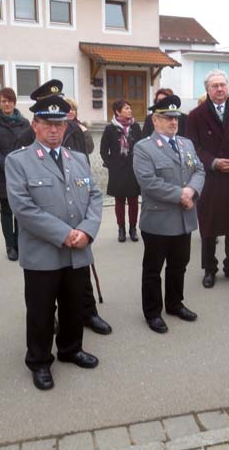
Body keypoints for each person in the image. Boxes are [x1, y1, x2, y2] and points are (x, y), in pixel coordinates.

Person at [5, 80, 103, 391]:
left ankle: (71, 349)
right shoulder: (18, 161)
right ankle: (39, 361)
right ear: (35, 125)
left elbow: (96, 198)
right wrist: (65, 234)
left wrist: (86, 231)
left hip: (78, 249)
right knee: (41, 311)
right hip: (42, 252)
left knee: (74, 305)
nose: (54, 130)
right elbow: (24, 208)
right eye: (47, 124)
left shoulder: (79, 158)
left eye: (59, 124)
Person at [132, 95, 205, 334]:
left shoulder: (186, 144)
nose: (173, 122)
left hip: (184, 219)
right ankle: (153, 312)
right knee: (153, 269)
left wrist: (192, 190)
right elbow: (148, 182)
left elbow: (199, 169)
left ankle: (175, 303)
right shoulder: (144, 147)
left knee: (179, 265)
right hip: (159, 220)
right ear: (155, 119)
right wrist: (181, 195)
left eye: (175, 117)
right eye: (167, 118)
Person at [186, 69, 229, 288]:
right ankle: (209, 269)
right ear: (207, 90)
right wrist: (214, 162)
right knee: (209, 228)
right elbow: (192, 147)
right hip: (210, 179)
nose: (220, 89)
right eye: (215, 86)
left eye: (223, 85)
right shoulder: (196, 115)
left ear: (228, 87)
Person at [60, 97, 111, 335]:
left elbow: (86, 155)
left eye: (69, 109)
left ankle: (88, 312)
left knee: (82, 268)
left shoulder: (77, 129)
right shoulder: (38, 131)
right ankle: (58, 316)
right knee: (52, 277)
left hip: (78, 201)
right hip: (53, 209)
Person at [0, 87, 31, 261]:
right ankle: (10, 246)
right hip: (2, 173)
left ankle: (20, 243)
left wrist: (19, 166)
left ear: (14, 102)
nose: (7, 104)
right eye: (3, 101)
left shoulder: (25, 123)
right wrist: (7, 165)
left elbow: (28, 146)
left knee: (20, 210)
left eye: (10, 101)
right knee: (6, 210)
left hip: (21, 173)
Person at [100, 100, 142, 242]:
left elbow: (141, 146)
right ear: (118, 111)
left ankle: (133, 229)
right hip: (117, 170)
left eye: (130, 108)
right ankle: (121, 229)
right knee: (119, 201)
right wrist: (111, 164)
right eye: (126, 108)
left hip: (133, 169)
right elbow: (103, 150)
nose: (130, 110)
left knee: (134, 201)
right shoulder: (110, 129)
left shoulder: (135, 127)